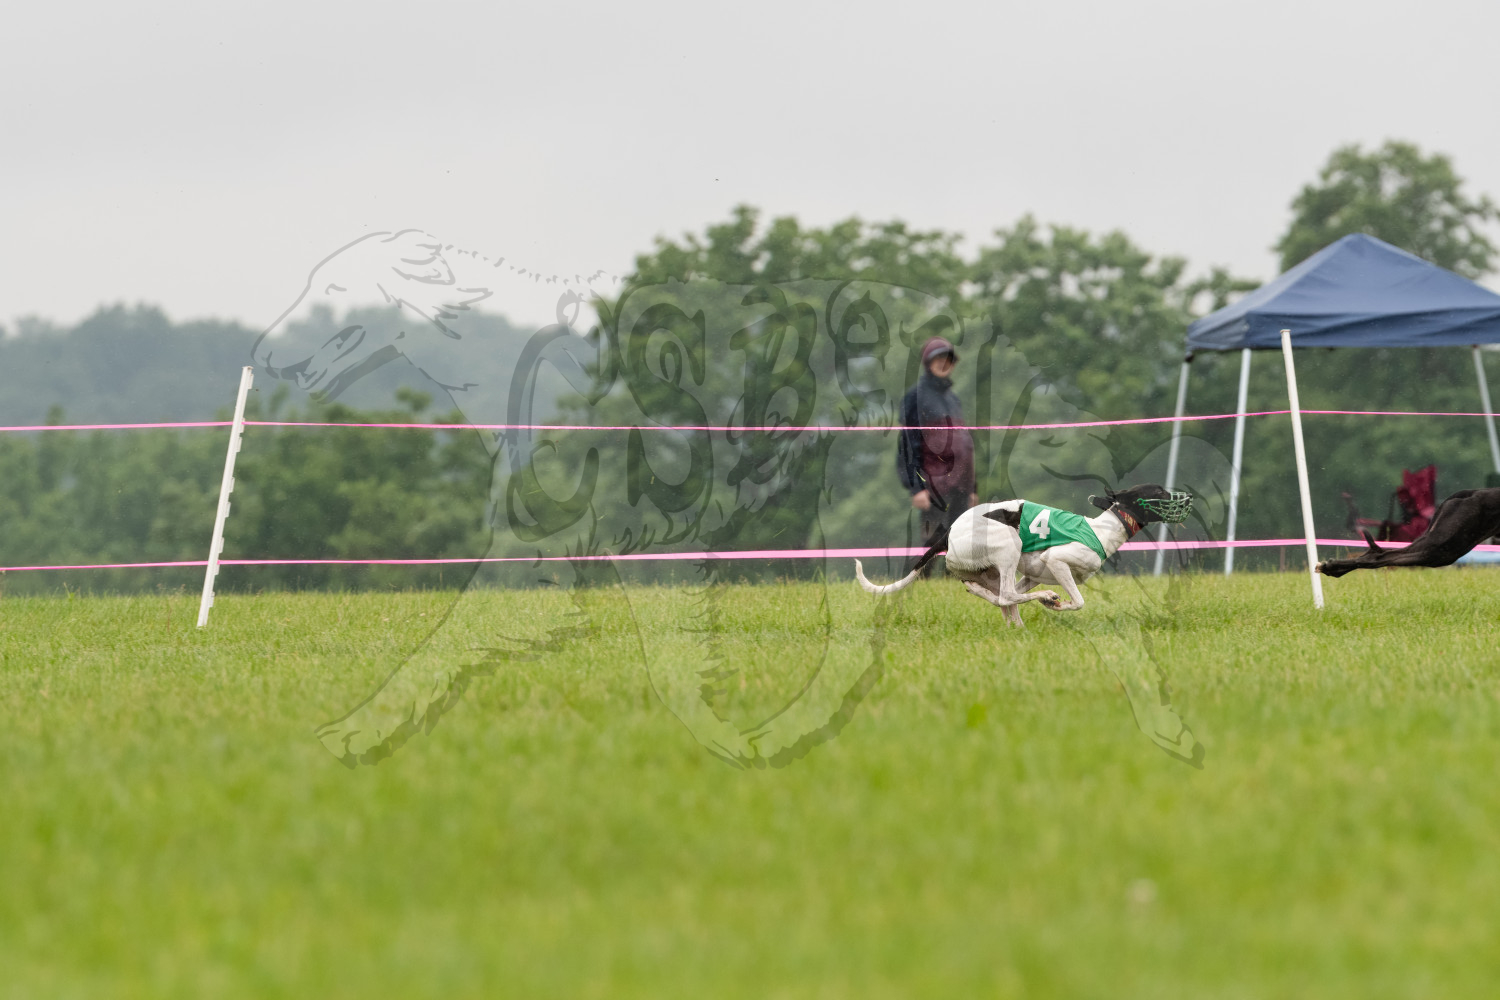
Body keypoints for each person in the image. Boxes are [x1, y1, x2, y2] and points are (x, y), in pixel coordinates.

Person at [897, 336, 979, 566]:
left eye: (949, 359)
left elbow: (964, 445)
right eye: (938, 358)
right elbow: (907, 445)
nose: (944, 363)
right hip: (933, 484)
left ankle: (954, 581)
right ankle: (919, 581)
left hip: (960, 484)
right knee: (931, 542)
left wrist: (972, 487)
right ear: (928, 363)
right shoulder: (915, 396)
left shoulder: (953, 398)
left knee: (960, 540)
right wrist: (916, 488)